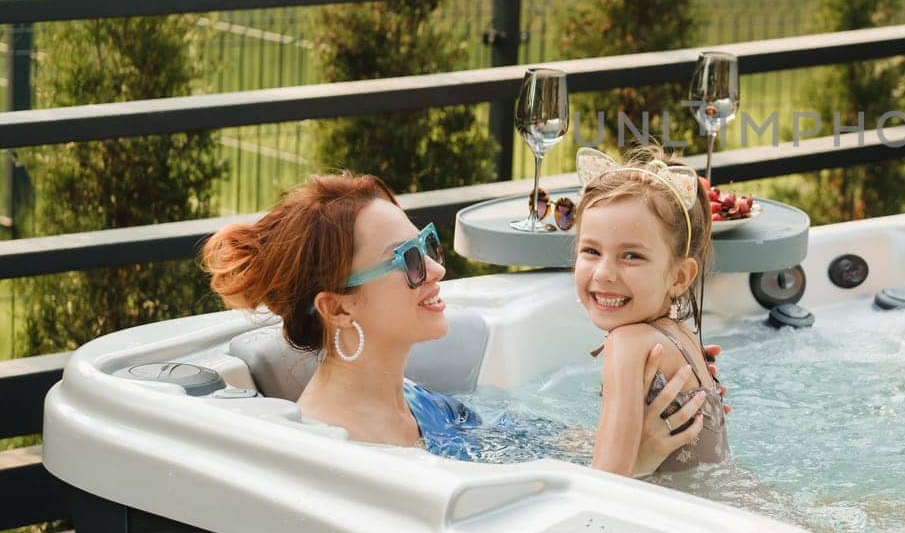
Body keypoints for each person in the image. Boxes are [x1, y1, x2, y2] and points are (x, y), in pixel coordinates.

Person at [203, 171, 709, 473]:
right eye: (408, 259)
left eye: (427, 245)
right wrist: (635, 470)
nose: (438, 269)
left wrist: (655, 410)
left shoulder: (421, 403)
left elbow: (550, 450)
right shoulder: (336, 448)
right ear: (338, 307)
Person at [572, 146, 730, 475]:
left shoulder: (628, 343)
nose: (603, 273)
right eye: (591, 250)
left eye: (631, 256)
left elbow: (602, 486)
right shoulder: (680, 334)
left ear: (680, 276)